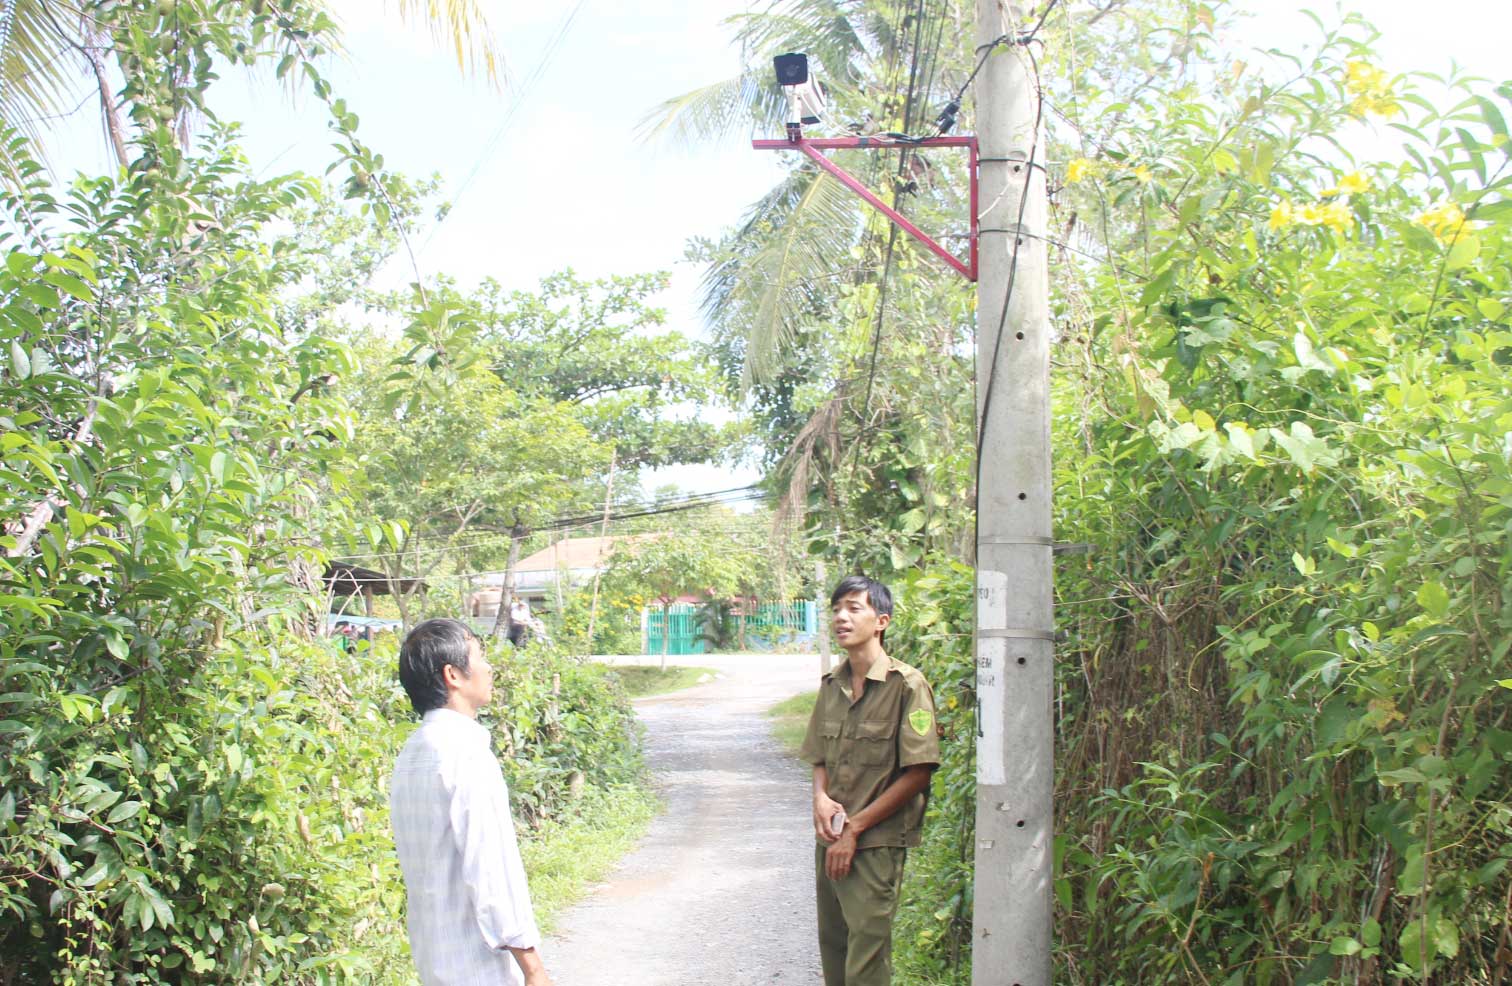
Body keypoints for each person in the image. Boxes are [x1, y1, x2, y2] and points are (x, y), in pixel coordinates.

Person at [389, 618, 553, 986]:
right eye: (479, 656)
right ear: (454, 675)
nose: (488, 667)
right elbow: (491, 869)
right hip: (478, 964)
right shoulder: (465, 754)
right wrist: (533, 967)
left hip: (434, 958)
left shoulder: (412, 753)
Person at [798, 575, 940, 986]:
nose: (841, 617)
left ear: (881, 620)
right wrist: (820, 799)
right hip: (831, 839)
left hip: (875, 843)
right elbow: (818, 756)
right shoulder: (832, 685)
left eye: (853, 608)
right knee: (834, 947)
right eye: (836, 609)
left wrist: (855, 829)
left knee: (867, 958)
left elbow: (918, 771)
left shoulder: (907, 686)